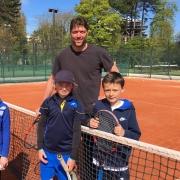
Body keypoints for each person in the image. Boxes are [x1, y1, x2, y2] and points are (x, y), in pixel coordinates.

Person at [36, 16, 119, 180]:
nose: (78, 35)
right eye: (75, 32)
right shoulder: (62, 55)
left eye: (82, 31)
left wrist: (104, 98)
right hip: (66, 111)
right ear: (70, 33)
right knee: (63, 145)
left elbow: (114, 73)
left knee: (90, 156)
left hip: (91, 113)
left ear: (87, 32)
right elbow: (52, 79)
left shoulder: (98, 52)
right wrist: (42, 105)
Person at [88, 72, 141, 180]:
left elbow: (136, 134)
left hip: (119, 162)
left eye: (115, 90)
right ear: (103, 89)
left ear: (122, 89)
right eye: (107, 90)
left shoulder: (129, 110)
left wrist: (124, 133)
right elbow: (91, 118)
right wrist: (90, 122)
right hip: (100, 159)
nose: (111, 94)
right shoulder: (98, 105)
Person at [37, 70, 86, 180]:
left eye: (67, 85)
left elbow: (77, 131)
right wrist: (40, 148)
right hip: (47, 152)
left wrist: (73, 157)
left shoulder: (77, 104)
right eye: (60, 85)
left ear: (72, 86)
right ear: (55, 85)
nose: (64, 88)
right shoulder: (48, 102)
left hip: (66, 154)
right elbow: (41, 125)